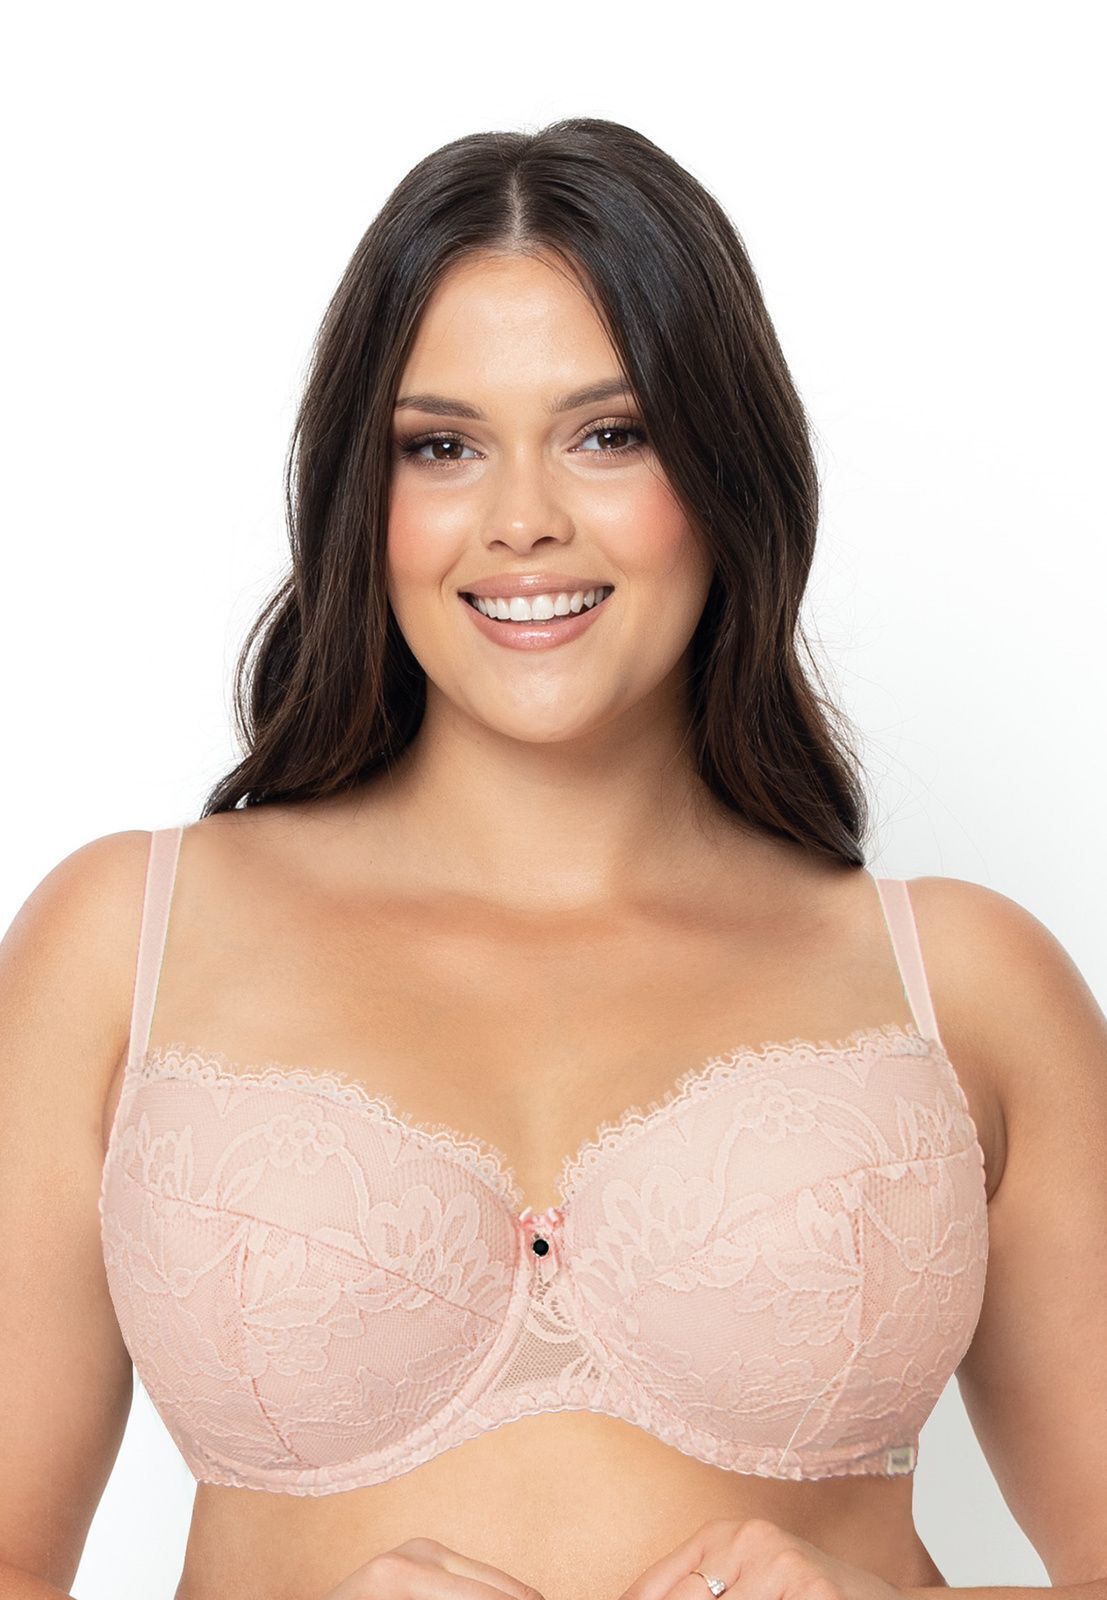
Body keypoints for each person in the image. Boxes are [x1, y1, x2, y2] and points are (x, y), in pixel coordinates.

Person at [2, 116, 1104, 1600]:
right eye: (443, 447)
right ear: (362, 496)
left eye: (609, 434)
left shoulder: (966, 984)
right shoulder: (122, 943)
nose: (523, 521)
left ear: (726, 468)